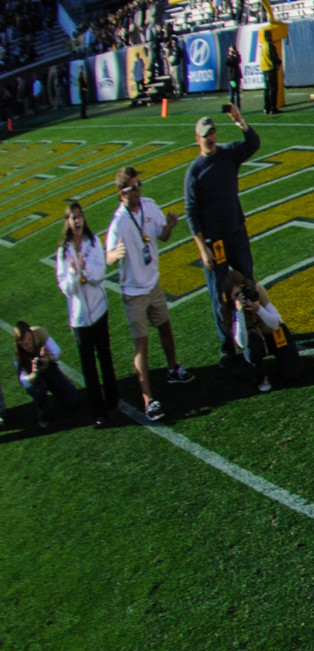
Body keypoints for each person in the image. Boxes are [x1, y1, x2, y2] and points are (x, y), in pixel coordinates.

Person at [104, 168, 186, 421]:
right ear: (122, 194)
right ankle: (148, 399)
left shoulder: (149, 206)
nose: (139, 189)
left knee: (165, 328)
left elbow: (161, 235)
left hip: (153, 283)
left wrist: (170, 226)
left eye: (140, 183)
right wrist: (113, 257)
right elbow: (107, 256)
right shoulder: (118, 222)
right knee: (142, 345)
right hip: (133, 291)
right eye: (133, 187)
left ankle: (172, 369)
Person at [183, 102, 261, 361]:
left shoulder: (228, 153)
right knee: (218, 294)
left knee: (248, 283)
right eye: (205, 134)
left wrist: (240, 120)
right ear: (198, 139)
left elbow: (253, 144)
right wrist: (201, 247)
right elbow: (191, 211)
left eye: (213, 132)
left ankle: (253, 330)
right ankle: (226, 344)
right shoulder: (194, 172)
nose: (210, 137)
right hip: (213, 240)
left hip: (236, 232)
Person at [53, 201, 115, 427]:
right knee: (88, 366)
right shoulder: (62, 251)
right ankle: (98, 412)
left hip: (99, 310)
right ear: (67, 222)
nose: (77, 220)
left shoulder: (93, 241)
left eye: (79, 216)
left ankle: (112, 401)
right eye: (73, 217)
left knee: (105, 357)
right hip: (79, 319)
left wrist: (84, 268)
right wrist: (72, 271)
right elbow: (66, 289)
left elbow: (99, 275)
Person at [13, 319, 78, 429]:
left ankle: (62, 388)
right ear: (19, 344)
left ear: (31, 333)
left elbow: (57, 351)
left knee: (74, 401)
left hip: (48, 368)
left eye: (29, 339)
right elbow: (24, 382)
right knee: (39, 387)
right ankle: (42, 413)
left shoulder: (39, 332)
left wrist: (49, 357)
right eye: (24, 344)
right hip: (35, 381)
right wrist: (34, 373)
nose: (28, 345)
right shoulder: (18, 356)